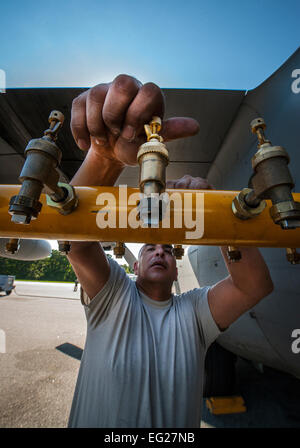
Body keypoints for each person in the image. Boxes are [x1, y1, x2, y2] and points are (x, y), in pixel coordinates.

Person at [66, 75, 274, 428]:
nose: (159, 252)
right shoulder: (114, 295)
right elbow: (76, 243)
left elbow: (252, 285)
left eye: (166, 249)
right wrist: (103, 158)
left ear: (178, 269)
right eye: (150, 247)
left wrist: (217, 214)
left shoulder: (193, 313)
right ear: (135, 266)